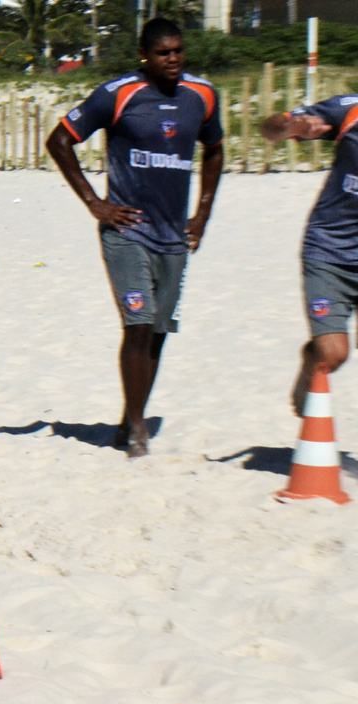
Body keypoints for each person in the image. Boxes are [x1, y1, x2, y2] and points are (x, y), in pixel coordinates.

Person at [46, 18, 224, 458]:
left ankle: (130, 417)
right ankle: (140, 428)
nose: (174, 60)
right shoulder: (117, 94)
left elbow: (215, 149)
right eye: (164, 53)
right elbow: (59, 141)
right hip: (126, 231)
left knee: (159, 332)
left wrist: (201, 214)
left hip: (174, 236)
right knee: (138, 324)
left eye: (179, 51)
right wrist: (95, 203)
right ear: (145, 56)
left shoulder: (201, 95)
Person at [261, 96, 358, 414]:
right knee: (333, 354)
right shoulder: (350, 110)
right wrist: (292, 125)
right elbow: (269, 129)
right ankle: (312, 357)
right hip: (330, 251)